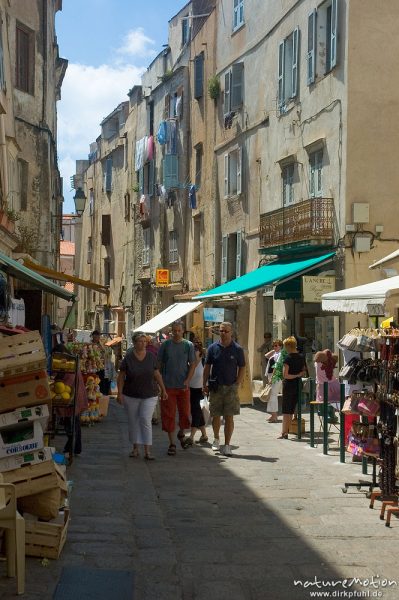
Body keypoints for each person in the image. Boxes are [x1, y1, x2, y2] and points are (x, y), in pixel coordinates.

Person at [117, 331, 167, 460]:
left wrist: (163, 389)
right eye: (140, 341)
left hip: (150, 393)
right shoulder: (128, 357)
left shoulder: (151, 357)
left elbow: (157, 374)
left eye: (145, 341)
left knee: (145, 419)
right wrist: (119, 393)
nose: (143, 343)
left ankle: (147, 450)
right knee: (133, 421)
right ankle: (135, 448)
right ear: (134, 343)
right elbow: (121, 376)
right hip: (131, 394)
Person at [202, 322, 245, 457]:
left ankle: (227, 445)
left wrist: (238, 382)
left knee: (229, 416)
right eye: (221, 331)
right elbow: (207, 367)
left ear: (231, 332)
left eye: (226, 331)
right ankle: (216, 439)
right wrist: (204, 384)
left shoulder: (237, 349)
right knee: (215, 415)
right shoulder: (212, 348)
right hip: (215, 386)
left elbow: (242, 366)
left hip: (230, 387)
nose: (223, 333)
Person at [157, 320, 196, 455]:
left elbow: (193, 364)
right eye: (174, 331)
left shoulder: (188, 345)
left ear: (183, 331)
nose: (177, 333)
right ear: (171, 331)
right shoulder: (165, 345)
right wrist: (160, 384)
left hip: (183, 386)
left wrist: (188, 380)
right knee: (169, 415)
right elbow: (159, 365)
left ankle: (181, 433)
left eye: (179, 331)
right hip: (168, 386)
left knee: (185, 414)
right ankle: (172, 443)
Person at [279, 336, 306, 440]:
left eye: (285, 346)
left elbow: (285, 375)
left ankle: (284, 433)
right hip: (298, 384)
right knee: (291, 409)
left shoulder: (288, 358)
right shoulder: (301, 357)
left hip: (289, 385)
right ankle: (286, 431)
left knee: (286, 410)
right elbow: (303, 371)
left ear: (289, 346)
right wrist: (299, 375)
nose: (285, 348)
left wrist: (295, 375)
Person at [185, 337, 208, 446]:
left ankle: (191, 436)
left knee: (196, 412)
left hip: (200, 390)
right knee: (197, 412)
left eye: (197, 352)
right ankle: (204, 435)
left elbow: (207, 375)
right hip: (191, 389)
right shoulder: (190, 364)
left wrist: (206, 388)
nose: (195, 355)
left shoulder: (203, 363)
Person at [264, 339, 283, 423]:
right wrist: (274, 349)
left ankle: (275, 415)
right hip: (271, 375)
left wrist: (272, 378)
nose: (274, 347)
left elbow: (277, 366)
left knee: (273, 395)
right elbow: (266, 355)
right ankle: (272, 414)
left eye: (276, 345)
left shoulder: (281, 354)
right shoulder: (275, 353)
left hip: (276, 376)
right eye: (273, 345)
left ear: (281, 346)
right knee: (271, 395)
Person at [91, 330, 110, 396]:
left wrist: (105, 363)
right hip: (92, 364)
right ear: (93, 336)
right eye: (96, 336)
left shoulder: (101, 344)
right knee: (93, 378)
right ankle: (93, 392)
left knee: (101, 379)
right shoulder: (90, 344)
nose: (97, 337)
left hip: (101, 365)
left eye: (98, 336)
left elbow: (105, 353)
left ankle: (101, 393)